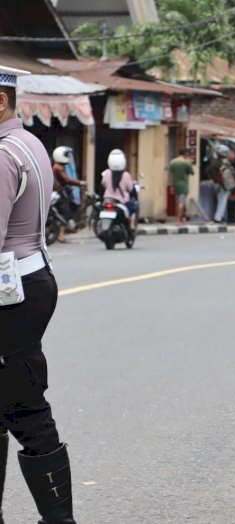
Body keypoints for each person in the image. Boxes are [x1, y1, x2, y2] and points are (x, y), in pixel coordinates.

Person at [0, 65, 76, 524]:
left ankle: (60, 519)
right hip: (33, 279)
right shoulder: (30, 144)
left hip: (12, 291)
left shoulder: (4, 153)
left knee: (23, 405)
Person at [51, 146, 85, 243]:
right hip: (60, 193)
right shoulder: (59, 167)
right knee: (65, 212)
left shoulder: (59, 166)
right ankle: (61, 234)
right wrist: (79, 183)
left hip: (59, 192)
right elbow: (66, 180)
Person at [100, 149, 136, 231]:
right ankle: (132, 225)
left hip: (107, 200)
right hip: (122, 202)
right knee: (134, 207)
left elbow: (103, 185)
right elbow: (131, 189)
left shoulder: (106, 173)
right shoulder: (126, 175)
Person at [168, 147, 194, 224]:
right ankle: (178, 220)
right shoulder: (186, 163)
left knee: (178, 202)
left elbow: (171, 175)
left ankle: (182, 218)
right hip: (184, 185)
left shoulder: (173, 162)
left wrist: (171, 186)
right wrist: (190, 163)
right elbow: (192, 172)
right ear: (186, 154)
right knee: (182, 202)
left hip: (175, 184)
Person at [213, 145, 235, 224]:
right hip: (223, 184)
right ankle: (218, 218)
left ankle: (219, 217)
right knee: (222, 201)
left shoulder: (215, 162)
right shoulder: (225, 163)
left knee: (220, 200)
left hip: (218, 184)